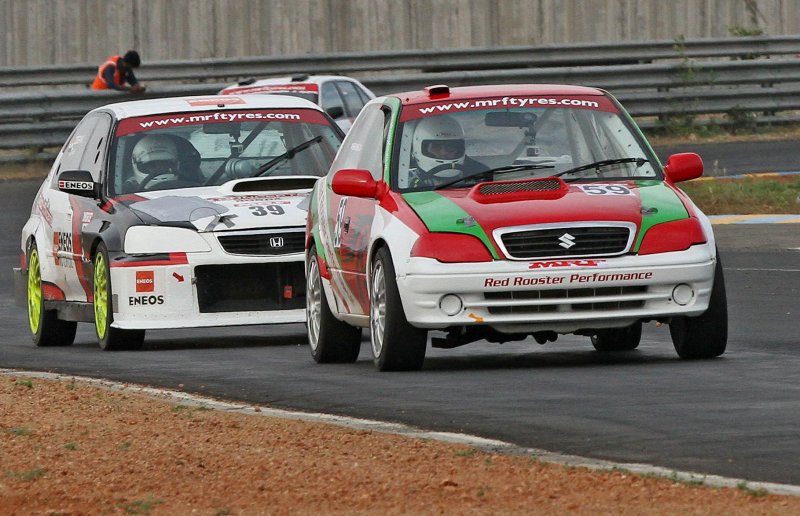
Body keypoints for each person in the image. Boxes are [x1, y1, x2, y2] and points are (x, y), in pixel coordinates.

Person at [409, 115, 487, 188]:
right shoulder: (403, 179)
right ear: (419, 147)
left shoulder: (480, 173)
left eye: (450, 146)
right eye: (436, 146)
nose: (444, 152)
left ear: (459, 148)